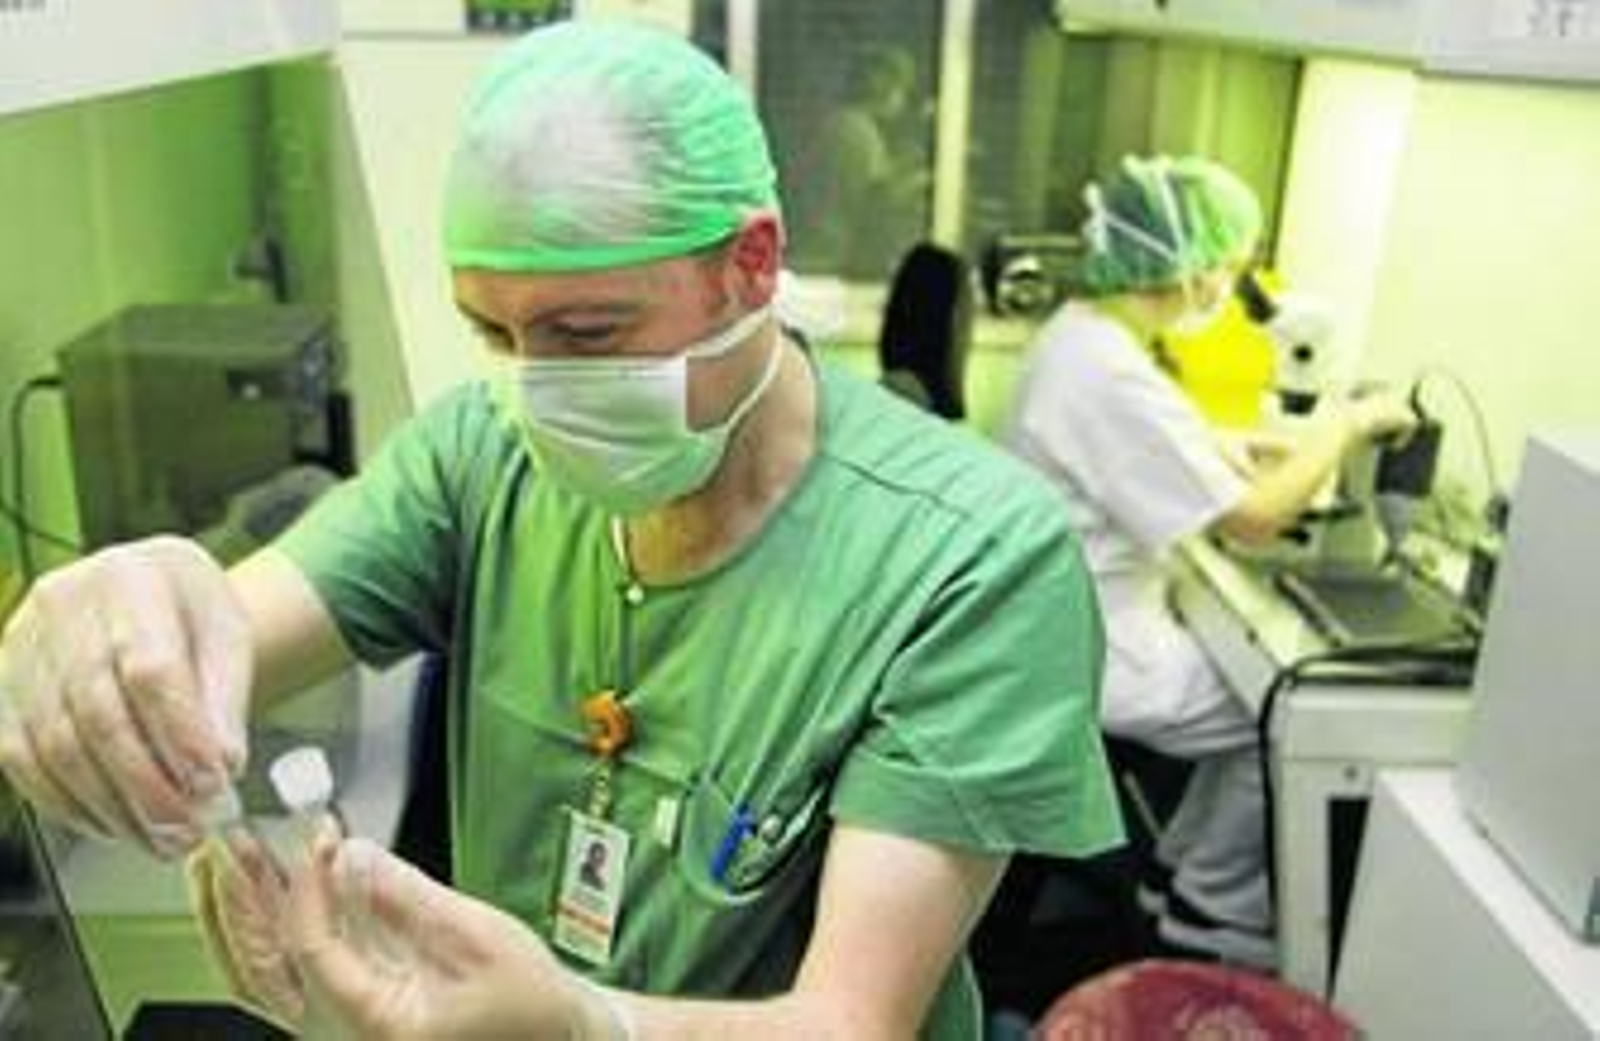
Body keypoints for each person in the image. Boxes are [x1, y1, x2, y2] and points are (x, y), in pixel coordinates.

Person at [0, 22, 1122, 1039]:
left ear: (750, 264)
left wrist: (589, 1025)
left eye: (588, 333)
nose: (539, 390)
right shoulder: (482, 453)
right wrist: (128, 639)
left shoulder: (971, 559)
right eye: (495, 335)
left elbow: (849, 1024)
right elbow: (222, 636)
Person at [1001, 155, 1415, 970]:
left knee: (1254, 701)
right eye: (1226, 263)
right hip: (1097, 650)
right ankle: (1210, 907)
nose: (1228, 283)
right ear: (1184, 262)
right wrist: (1343, 423)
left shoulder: (1084, 334)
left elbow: (1139, 438)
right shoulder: (1109, 369)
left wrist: (1225, 442)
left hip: (1064, 622)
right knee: (1287, 712)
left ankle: (1175, 874)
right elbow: (1256, 520)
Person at [788, 45, 931, 281]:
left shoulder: (853, 124)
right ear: (881, 87)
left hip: (834, 244)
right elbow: (873, 199)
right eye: (902, 89)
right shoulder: (854, 129)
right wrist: (922, 179)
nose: (904, 100)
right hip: (831, 251)